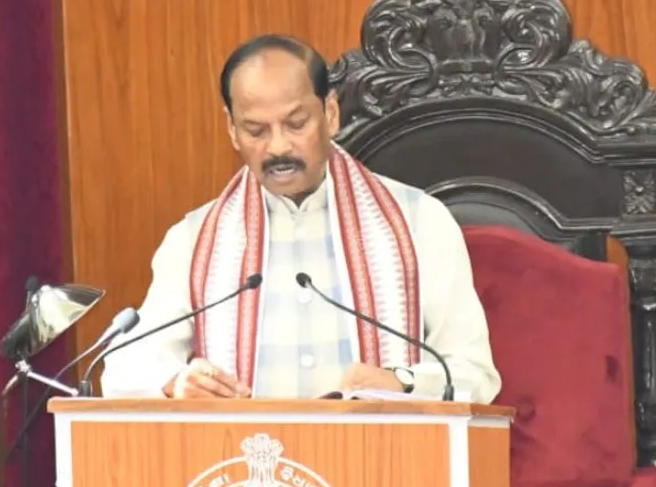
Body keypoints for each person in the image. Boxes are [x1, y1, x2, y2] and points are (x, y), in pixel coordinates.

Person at [101, 35, 501, 403]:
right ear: (232, 130)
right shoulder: (194, 242)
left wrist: (401, 382)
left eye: (296, 124)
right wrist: (176, 382)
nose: (278, 147)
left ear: (329, 113)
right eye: (256, 130)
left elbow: (474, 375)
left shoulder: (418, 222)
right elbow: (123, 370)